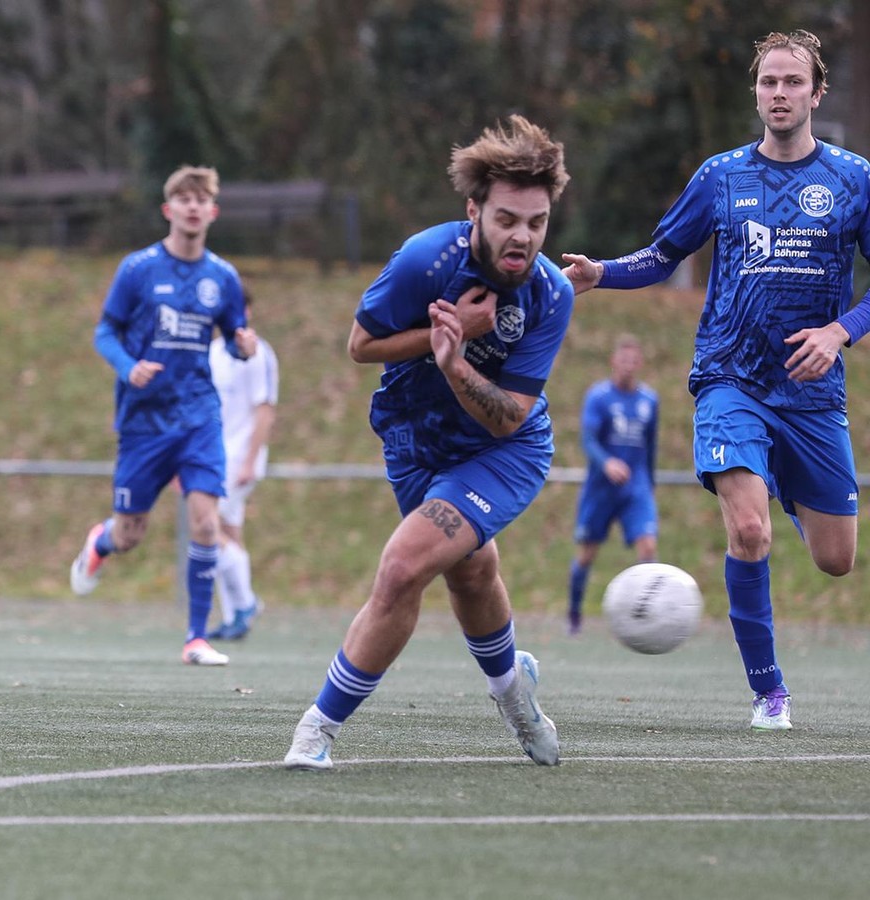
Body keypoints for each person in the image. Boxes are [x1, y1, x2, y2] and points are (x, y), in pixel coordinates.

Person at [561, 30, 870, 732]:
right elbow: (664, 254)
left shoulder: (855, 179)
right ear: (755, 91)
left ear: (817, 93)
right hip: (729, 380)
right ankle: (770, 693)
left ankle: (788, 484)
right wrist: (603, 273)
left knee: (836, 560)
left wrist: (839, 331)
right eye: (769, 82)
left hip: (812, 394)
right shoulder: (721, 175)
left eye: (794, 82)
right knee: (750, 530)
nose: (780, 94)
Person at [284, 115, 572, 770]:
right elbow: (361, 346)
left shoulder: (550, 295)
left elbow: (508, 418)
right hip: (415, 437)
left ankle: (316, 732)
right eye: (506, 219)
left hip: (504, 451)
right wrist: (444, 337)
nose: (522, 236)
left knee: (404, 566)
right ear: (474, 211)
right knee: (469, 569)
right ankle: (515, 697)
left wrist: (456, 361)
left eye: (537, 221)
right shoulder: (425, 260)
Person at [67, 165, 258, 668]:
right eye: (184, 199)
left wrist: (245, 346)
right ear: (168, 209)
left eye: (202, 200)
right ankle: (102, 542)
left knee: (206, 524)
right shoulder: (137, 269)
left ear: (212, 212)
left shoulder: (224, 277)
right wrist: (129, 369)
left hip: (199, 417)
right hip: (143, 423)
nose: (193, 207)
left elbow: (238, 338)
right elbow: (104, 332)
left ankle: (196, 638)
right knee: (131, 533)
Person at [567, 335, 658, 635]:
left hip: (636, 487)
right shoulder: (599, 397)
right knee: (587, 553)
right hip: (600, 488)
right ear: (613, 362)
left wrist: (650, 485)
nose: (628, 366)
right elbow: (588, 439)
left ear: (640, 364)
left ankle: (645, 618)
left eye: (634, 360)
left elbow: (651, 445)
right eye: (624, 360)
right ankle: (575, 616)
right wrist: (606, 462)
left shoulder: (649, 400)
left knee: (648, 548)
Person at [206, 287, 278, 641]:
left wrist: (250, 460)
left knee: (205, 527)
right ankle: (236, 615)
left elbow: (264, 410)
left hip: (237, 459)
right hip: (213, 455)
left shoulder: (258, 353)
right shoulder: (214, 351)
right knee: (228, 534)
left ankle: (246, 603)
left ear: (247, 312)